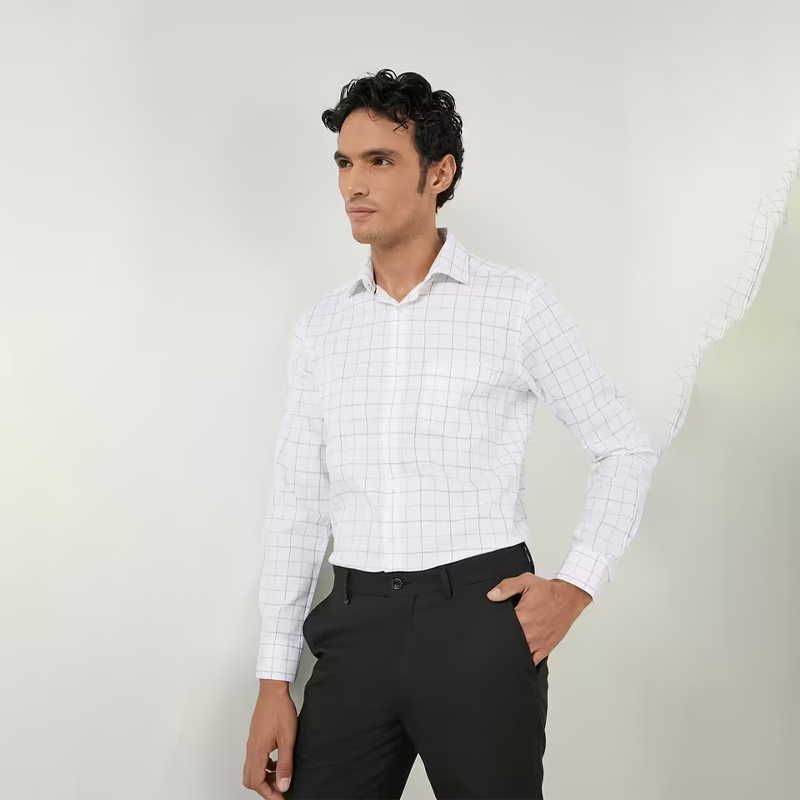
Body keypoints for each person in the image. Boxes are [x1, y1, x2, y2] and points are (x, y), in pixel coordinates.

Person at [243, 69, 658, 800]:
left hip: (478, 620)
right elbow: (300, 503)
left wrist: (576, 585)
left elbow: (624, 444)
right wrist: (274, 678)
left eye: (380, 160)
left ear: (440, 173)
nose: (353, 184)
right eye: (344, 162)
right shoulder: (323, 329)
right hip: (354, 626)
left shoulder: (516, 306)